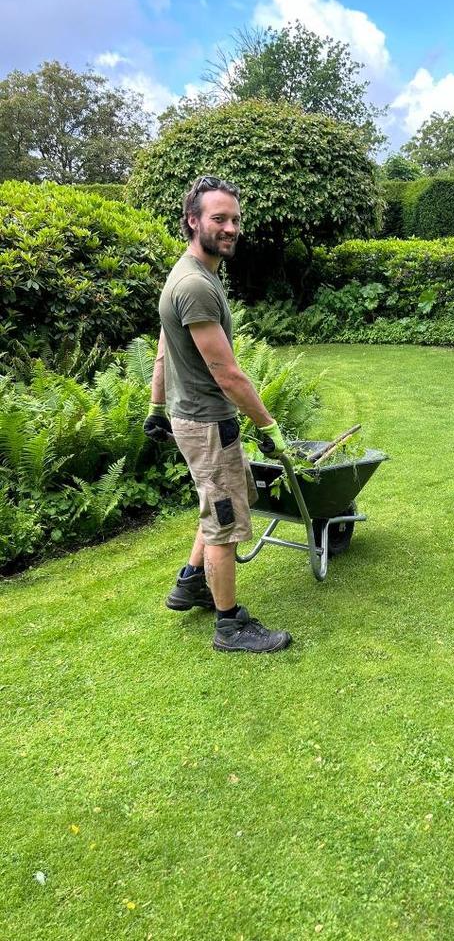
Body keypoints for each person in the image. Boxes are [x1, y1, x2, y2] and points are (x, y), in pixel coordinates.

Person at [143, 174, 292, 654]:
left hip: (192, 418)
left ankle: (192, 581)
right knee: (225, 519)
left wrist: (156, 406)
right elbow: (228, 373)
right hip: (208, 422)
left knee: (220, 498)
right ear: (193, 221)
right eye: (218, 219)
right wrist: (270, 429)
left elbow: (165, 347)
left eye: (234, 219)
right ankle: (230, 627)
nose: (229, 228)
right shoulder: (196, 285)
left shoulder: (187, 275)